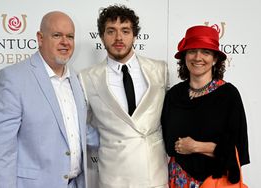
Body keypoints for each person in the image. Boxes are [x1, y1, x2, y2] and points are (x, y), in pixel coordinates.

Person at [0, 11, 98, 188]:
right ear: (40, 38)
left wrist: (120, 137)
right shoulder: (13, 78)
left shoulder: (76, 79)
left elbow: (81, 132)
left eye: (70, 36)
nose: (65, 42)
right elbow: (1, 150)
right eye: (57, 35)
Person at [78, 4, 169, 188]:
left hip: (155, 175)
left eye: (125, 31)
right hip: (113, 177)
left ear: (134, 35)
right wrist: (108, 140)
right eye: (111, 31)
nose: (118, 38)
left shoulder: (160, 70)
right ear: (102, 36)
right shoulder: (86, 78)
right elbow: (81, 125)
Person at [161, 25, 250, 187]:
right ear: (185, 56)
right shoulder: (174, 94)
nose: (197, 57)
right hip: (177, 180)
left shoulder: (228, 95)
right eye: (192, 51)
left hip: (215, 181)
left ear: (215, 59)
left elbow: (237, 148)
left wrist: (195, 146)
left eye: (206, 52)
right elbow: (169, 145)